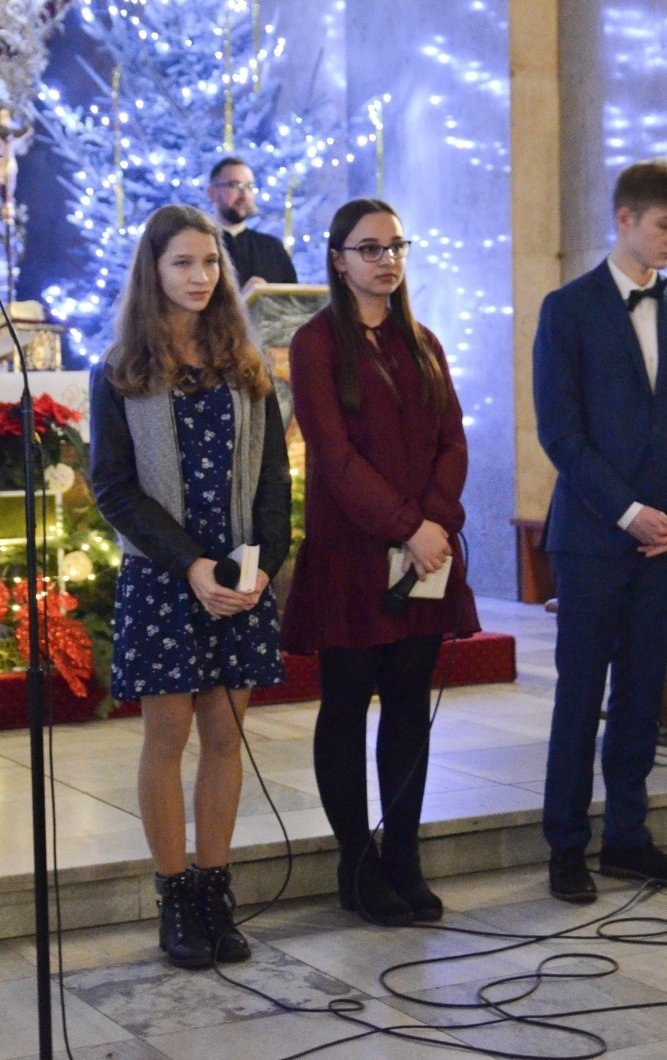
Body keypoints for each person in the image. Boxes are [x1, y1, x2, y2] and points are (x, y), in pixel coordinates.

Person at [90, 204, 292, 969]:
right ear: (154, 271)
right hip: (166, 572)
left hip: (239, 573)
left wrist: (265, 562)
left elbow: (274, 480)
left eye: (210, 263)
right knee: (167, 737)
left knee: (223, 735)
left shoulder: (247, 363)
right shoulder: (121, 370)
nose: (200, 276)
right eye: (183, 263)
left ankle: (215, 888)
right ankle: (175, 896)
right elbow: (112, 488)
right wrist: (192, 567)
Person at [283, 198, 478, 926]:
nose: (386, 259)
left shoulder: (421, 340)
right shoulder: (316, 343)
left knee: (408, 709)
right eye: (369, 248)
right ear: (338, 259)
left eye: (395, 245)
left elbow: (453, 442)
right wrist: (409, 527)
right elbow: (333, 457)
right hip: (353, 555)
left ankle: (404, 856)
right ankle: (356, 866)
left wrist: (435, 526)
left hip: (420, 556)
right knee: (346, 705)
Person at [532, 160, 667, 903]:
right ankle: (566, 847)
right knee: (581, 695)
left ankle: (629, 839)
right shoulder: (567, 308)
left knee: (643, 693)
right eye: (665, 225)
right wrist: (628, 511)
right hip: (592, 537)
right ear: (625, 220)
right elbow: (561, 434)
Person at [206, 156, 297, 293]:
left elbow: (295, 305)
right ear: (213, 193)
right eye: (235, 186)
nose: (244, 195)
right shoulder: (199, 246)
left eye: (250, 187)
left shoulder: (272, 248)